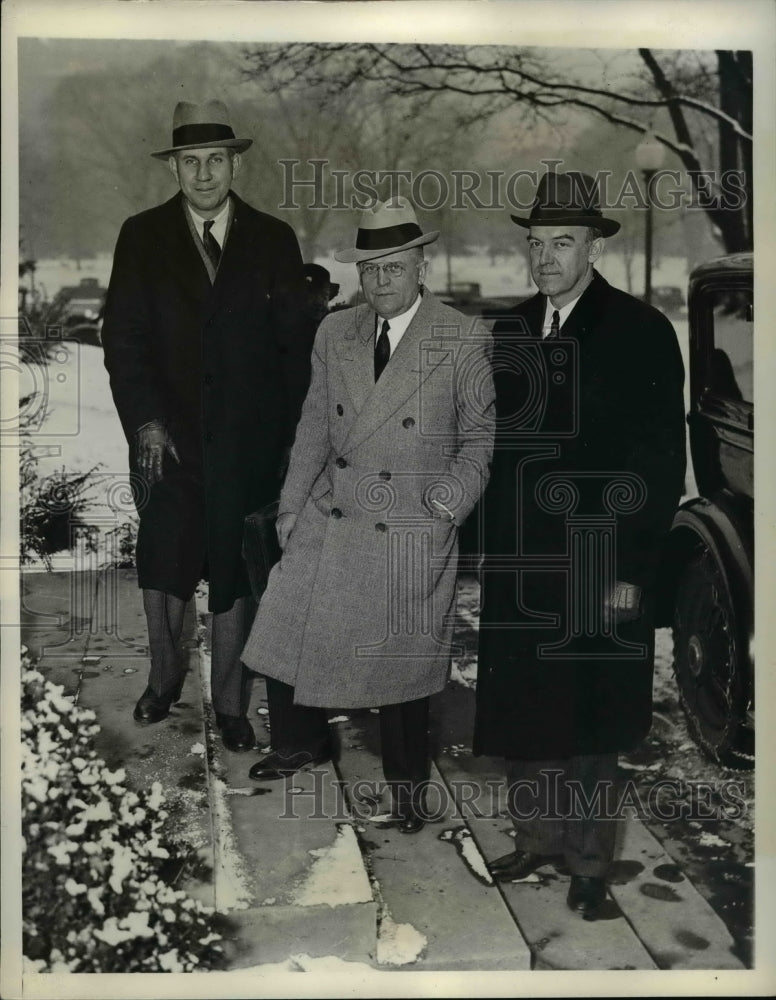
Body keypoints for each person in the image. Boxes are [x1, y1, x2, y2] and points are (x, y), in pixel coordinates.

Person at [241, 197, 495, 833]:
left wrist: (447, 508)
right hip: (339, 507)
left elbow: (480, 442)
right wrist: (294, 505)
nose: (381, 280)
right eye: (370, 268)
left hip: (412, 519)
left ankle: (407, 784)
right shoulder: (336, 332)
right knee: (289, 615)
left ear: (420, 266)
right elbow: (313, 429)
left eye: (394, 266)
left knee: (402, 658)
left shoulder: (462, 337)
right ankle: (302, 741)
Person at [473, 170, 686, 915]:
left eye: (562, 242)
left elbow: (660, 464)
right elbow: (488, 449)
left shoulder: (642, 333)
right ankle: (537, 837)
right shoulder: (508, 331)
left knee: (595, 715)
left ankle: (591, 864)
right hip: (521, 559)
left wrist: (631, 569)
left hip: (601, 558)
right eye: (535, 243)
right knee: (524, 706)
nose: (546, 257)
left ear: (594, 245)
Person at [101, 100, 306, 753]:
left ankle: (232, 704)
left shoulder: (274, 240)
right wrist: (147, 425)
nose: (204, 173)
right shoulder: (142, 235)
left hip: (249, 449)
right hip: (170, 444)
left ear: (233, 162)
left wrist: (287, 447)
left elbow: (293, 351)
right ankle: (164, 681)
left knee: (238, 577)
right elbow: (124, 342)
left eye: (216, 159)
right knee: (165, 568)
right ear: (176, 167)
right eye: (191, 161)